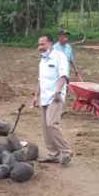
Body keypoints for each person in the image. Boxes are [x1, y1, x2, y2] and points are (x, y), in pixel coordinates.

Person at [32, 35, 72, 165]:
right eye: (39, 45)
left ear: (50, 44)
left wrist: (58, 91)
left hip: (55, 96)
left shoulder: (59, 57)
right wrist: (35, 96)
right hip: (44, 97)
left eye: (43, 44)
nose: (40, 47)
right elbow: (40, 80)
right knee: (45, 126)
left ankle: (66, 151)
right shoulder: (42, 61)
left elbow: (63, 76)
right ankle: (53, 154)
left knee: (52, 124)